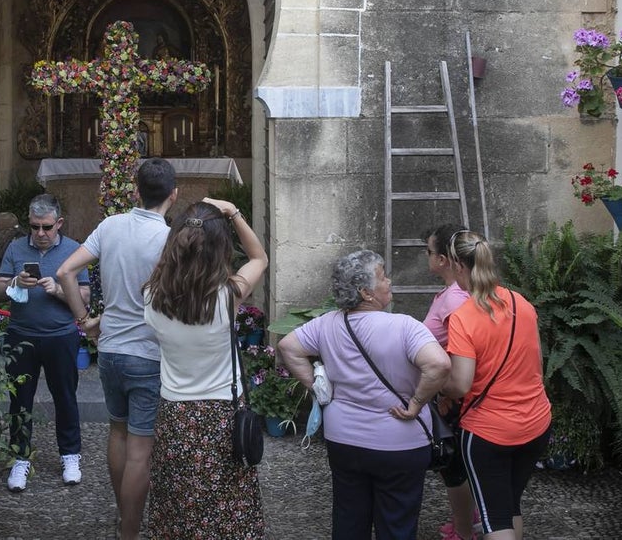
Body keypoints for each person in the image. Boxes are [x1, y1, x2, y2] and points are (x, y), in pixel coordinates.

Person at [279, 249, 450, 540]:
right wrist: (416, 403)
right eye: (383, 277)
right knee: (397, 525)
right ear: (366, 292)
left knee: (349, 521)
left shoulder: (326, 323)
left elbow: (288, 347)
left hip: (344, 440)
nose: (389, 281)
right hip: (400, 443)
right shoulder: (405, 326)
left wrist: (321, 391)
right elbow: (439, 364)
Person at [57, 157, 178, 540]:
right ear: (173, 196)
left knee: (118, 433)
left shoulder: (110, 226)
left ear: (136, 191)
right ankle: (129, 531)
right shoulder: (170, 239)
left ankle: (123, 512)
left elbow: (64, 272)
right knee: (142, 448)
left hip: (110, 350)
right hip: (149, 352)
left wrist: (85, 322)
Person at [142, 198, 268, 539]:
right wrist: (234, 212)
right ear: (219, 250)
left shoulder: (151, 297)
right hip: (223, 414)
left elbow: (165, 275)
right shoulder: (228, 297)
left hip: (176, 415)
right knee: (228, 505)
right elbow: (259, 258)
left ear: (174, 246)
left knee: (179, 505)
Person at [441, 230, 552, 540]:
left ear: (458, 266)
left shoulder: (463, 317)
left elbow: (461, 384)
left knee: (495, 518)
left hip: (489, 433)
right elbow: (538, 367)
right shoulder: (522, 304)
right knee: (508, 505)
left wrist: (440, 389)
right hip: (536, 425)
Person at [0, 193, 90, 493]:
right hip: (21, 336)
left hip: (61, 335)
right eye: (35, 227)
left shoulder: (74, 250)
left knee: (66, 398)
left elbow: (85, 297)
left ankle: (70, 456)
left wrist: (59, 290)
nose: (40, 234)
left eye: (47, 227)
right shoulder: (16, 247)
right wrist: (14, 283)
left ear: (58, 223)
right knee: (20, 400)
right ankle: (20, 458)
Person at [422, 224, 479, 540]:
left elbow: (463, 352)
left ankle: (464, 531)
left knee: (454, 468)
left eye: (430, 251)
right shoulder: (451, 294)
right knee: (456, 466)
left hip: (453, 395)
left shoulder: (456, 299)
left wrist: (447, 393)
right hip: (447, 391)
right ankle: (466, 518)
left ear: (444, 259)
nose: (426, 256)